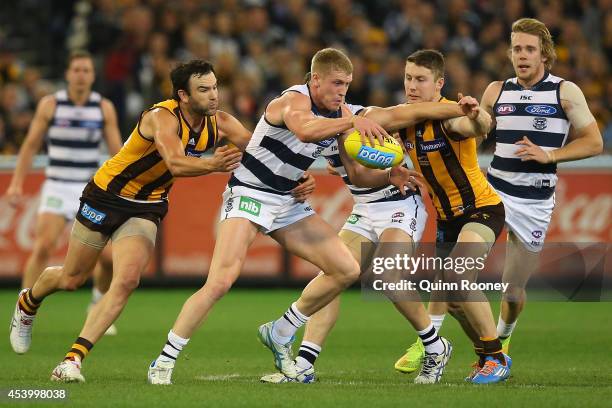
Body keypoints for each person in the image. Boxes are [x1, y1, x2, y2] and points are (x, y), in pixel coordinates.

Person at [147, 47, 479, 385]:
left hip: (289, 201)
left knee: (345, 268)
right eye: (336, 83)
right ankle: (164, 361)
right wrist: (351, 121)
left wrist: (457, 107)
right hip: (250, 194)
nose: (342, 91)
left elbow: (398, 115)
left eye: (347, 84)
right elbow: (305, 131)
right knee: (219, 282)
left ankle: (281, 331)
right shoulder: (294, 100)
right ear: (315, 79)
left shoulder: (343, 113)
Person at [9, 60, 310, 383]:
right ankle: (28, 302)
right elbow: (176, 163)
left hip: (146, 206)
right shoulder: (160, 117)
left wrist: (299, 176)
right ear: (183, 95)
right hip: (105, 196)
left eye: (215, 87)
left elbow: (264, 154)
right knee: (71, 278)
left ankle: (72, 360)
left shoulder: (220, 122)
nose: (213, 96)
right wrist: (211, 164)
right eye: (204, 90)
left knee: (126, 281)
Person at [396, 18, 603, 371]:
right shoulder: (496, 90)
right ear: (509, 52)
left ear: (544, 55)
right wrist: (476, 119)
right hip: (492, 193)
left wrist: (551, 154)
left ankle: (502, 339)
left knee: (511, 291)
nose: (522, 56)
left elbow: (594, 142)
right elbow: (477, 127)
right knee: (453, 270)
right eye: (517, 49)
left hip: (535, 201)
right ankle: (427, 342)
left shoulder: (563, 92)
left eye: (529, 50)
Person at [382, 49, 512, 384]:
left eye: (421, 79)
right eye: (409, 78)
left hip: (481, 209)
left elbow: (480, 125)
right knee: (454, 302)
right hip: (446, 220)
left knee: (456, 274)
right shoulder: (405, 120)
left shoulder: (449, 119)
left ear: (438, 83)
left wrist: (477, 112)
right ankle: (485, 355)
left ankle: (497, 357)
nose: (412, 85)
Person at [5, 50, 122, 342]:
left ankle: (97, 305)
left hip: (90, 188)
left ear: (92, 76)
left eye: (86, 70)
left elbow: (118, 152)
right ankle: (24, 311)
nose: (81, 75)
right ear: (68, 74)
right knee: (43, 245)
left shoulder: (103, 108)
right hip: (57, 185)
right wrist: (17, 182)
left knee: (108, 258)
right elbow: (31, 145)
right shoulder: (51, 104)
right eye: (77, 70)